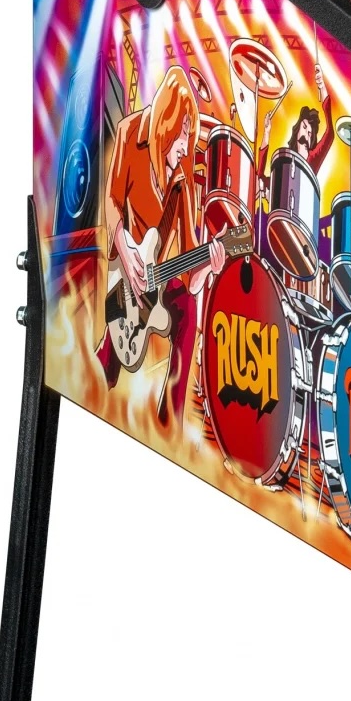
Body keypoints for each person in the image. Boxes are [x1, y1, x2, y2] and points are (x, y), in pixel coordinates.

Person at [98, 65, 225, 429]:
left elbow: (190, 262)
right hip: (127, 265)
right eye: (183, 136)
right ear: (167, 124)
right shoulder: (130, 133)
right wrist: (126, 251)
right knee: (113, 347)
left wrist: (208, 265)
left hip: (158, 274)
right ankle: (101, 372)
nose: (186, 146)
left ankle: (169, 420)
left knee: (188, 309)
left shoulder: (182, 176)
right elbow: (112, 201)